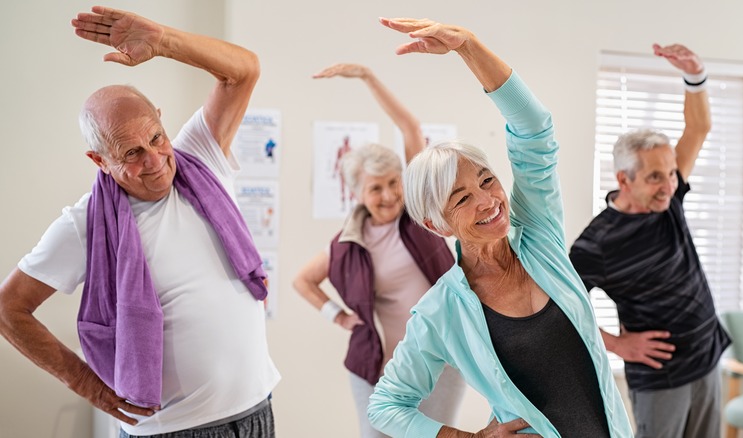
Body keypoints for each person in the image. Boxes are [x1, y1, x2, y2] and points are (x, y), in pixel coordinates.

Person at [0, 6, 279, 437]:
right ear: (100, 160)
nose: (156, 162)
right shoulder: (85, 224)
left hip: (256, 411)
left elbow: (243, 71)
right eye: (131, 153)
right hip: (175, 431)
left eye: (156, 138)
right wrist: (85, 384)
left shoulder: (199, 158)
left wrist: (164, 41)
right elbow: (9, 308)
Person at [367, 18, 633, 438]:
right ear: (436, 224)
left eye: (486, 180)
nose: (487, 200)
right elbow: (385, 405)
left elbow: (534, 130)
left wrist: (468, 46)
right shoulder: (441, 310)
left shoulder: (539, 236)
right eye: (461, 198)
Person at [293, 63, 467, 437]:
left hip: (440, 362)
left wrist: (368, 78)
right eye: (375, 188)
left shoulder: (420, 215)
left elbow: (410, 128)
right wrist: (336, 316)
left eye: (393, 183)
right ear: (356, 193)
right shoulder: (348, 243)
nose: (388, 195)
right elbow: (302, 281)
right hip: (378, 369)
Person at [569, 44, 730, 438]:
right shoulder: (597, 243)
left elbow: (698, 128)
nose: (669, 185)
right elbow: (560, 308)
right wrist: (617, 345)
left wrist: (695, 74)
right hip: (662, 380)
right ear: (624, 179)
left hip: (707, 359)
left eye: (672, 173)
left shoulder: (669, 199)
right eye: (656, 177)